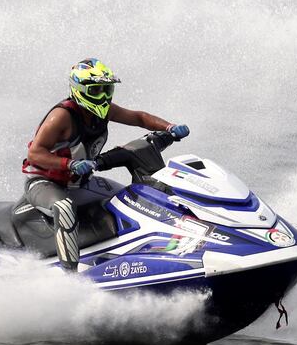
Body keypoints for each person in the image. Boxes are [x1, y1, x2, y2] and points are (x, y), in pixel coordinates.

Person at [22, 58, 190, 272]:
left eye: (107, 89)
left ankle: (156, 251)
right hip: (44, 183)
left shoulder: (105, 110)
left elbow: (139, 117)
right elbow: (35, 154)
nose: (103, 96)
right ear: (80, 90)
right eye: (96, 90)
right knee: (64, 207)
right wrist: (70, 164)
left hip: (80, 182)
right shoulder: (61, 117)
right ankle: (70, 276)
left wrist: (170, 127)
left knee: (132, 199)